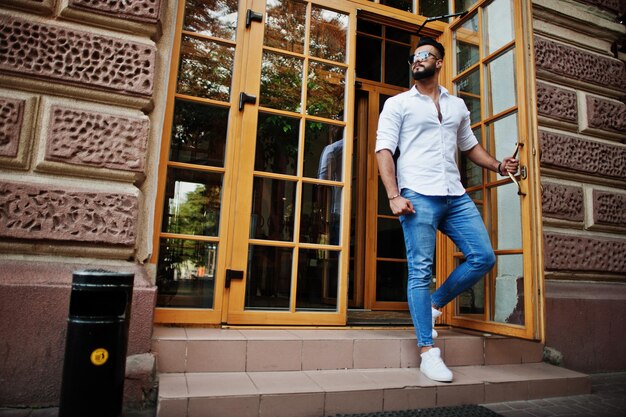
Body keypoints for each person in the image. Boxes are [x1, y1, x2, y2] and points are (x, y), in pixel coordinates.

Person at [375, 37, 519, 383]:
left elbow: (469, 147)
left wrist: (500, 166)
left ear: (439, 63)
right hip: (418, 194)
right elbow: (383, 150)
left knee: (483, 256)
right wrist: (393, 195)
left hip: (455, 195)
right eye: (414, 57)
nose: (417, 60)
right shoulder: (398, 104)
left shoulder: (457, 107)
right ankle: (427, 350)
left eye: (424, 55)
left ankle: (434, 304)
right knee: (420, 270)